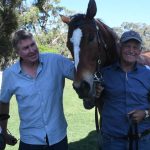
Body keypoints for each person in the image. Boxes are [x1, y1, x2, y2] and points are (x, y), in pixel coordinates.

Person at [0, 29, 74, 150]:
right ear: (17, 52)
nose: (32, 50)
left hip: (58, 138)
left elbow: (82, 75)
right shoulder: (10, 74)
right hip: (30, 141)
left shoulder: (56, 61)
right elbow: (3, 101)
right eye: (25, 48)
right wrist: (3, 132)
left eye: (32, 44)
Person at [85, 30, 150, 150]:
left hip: (143, 141)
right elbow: (88, 105)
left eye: (135, 47)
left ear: (140, 51)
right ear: (120, 48)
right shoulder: (104, 73)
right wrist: (94, 94)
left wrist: (145, 113)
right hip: (112, 142)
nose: (131, 50)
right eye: (127, 46)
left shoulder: (148, 74)